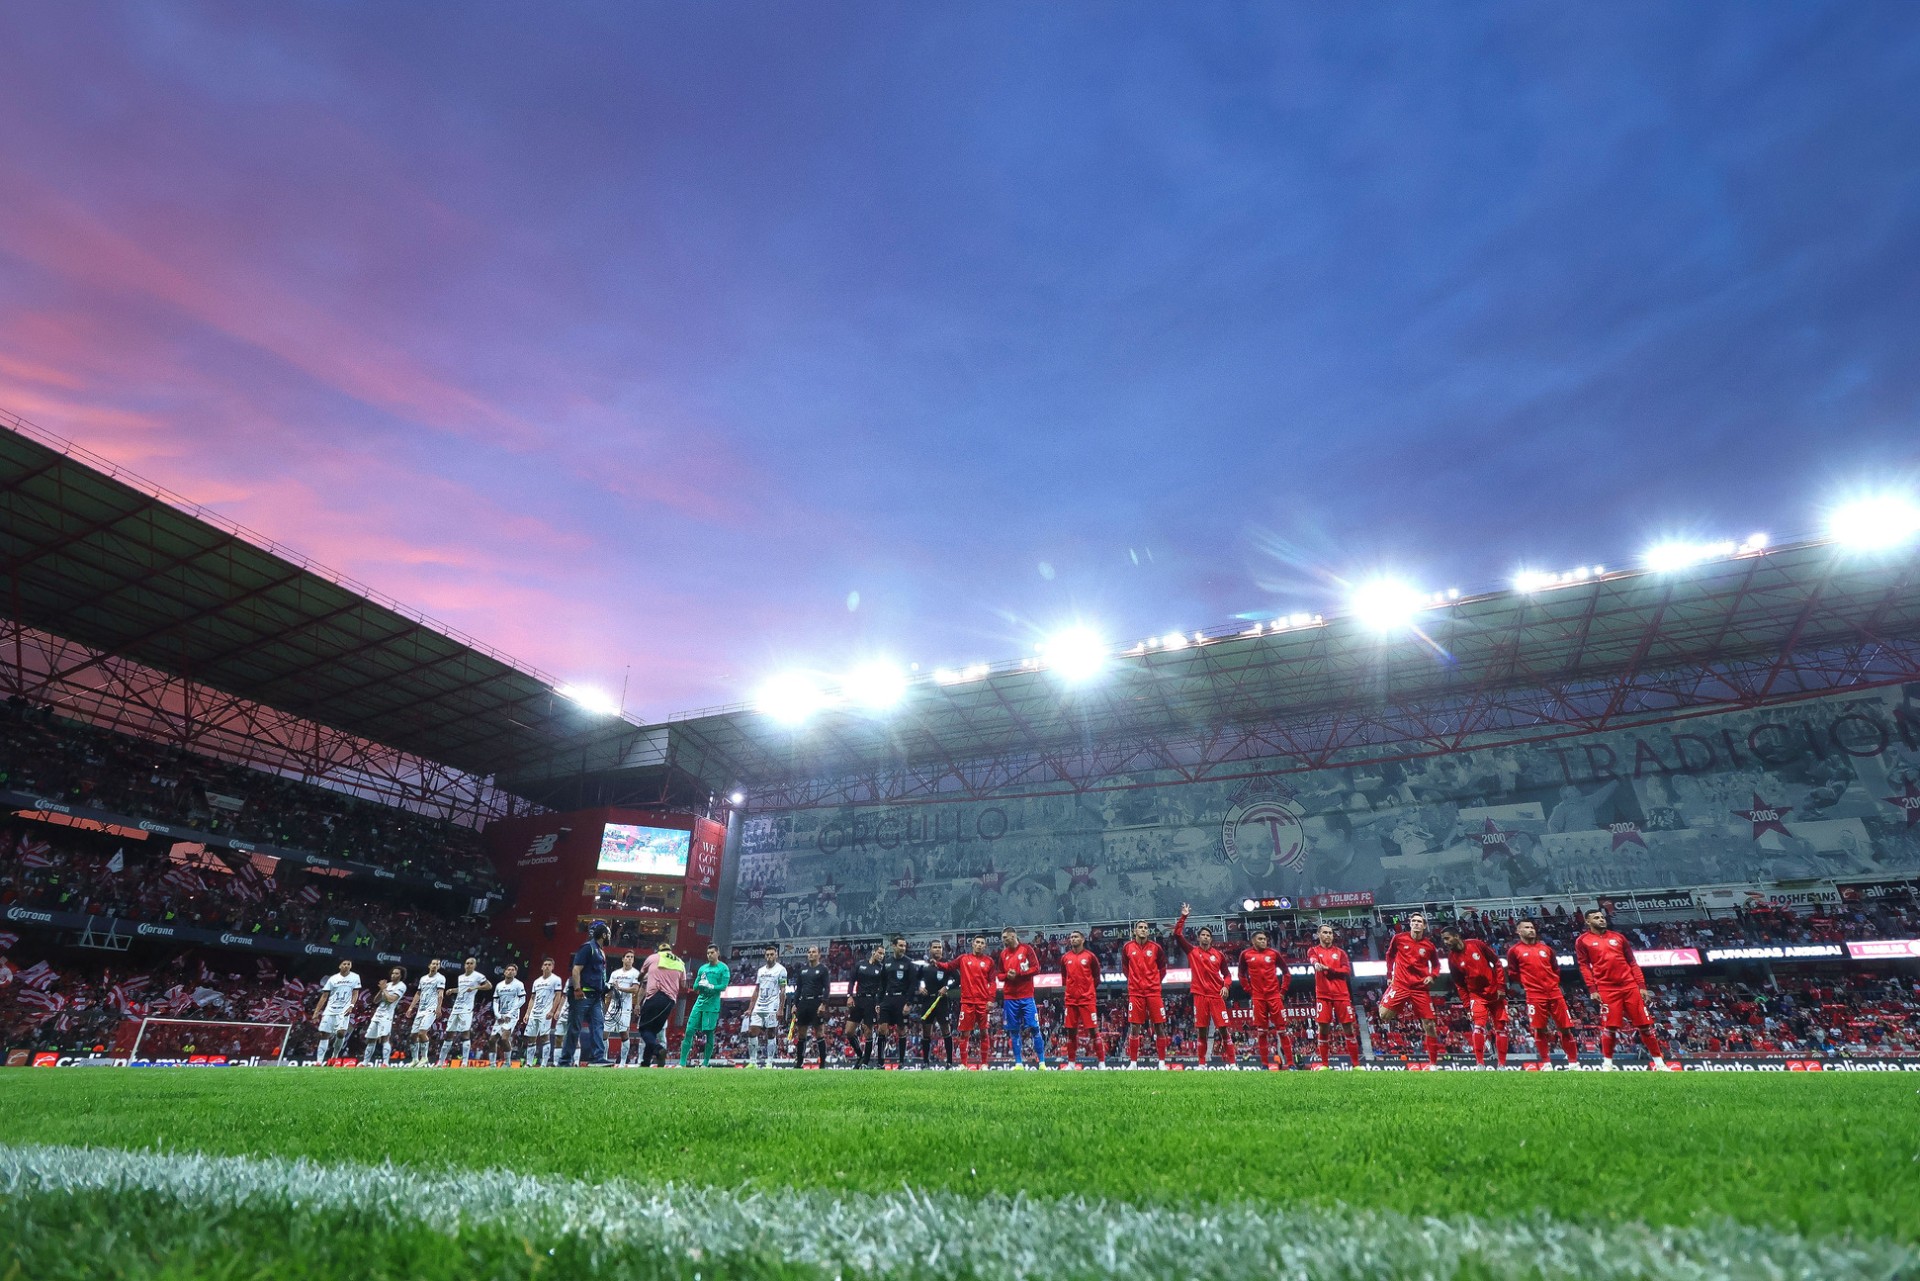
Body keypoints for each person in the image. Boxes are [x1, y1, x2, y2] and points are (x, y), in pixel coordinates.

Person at [1574, 908, 1668, 1070]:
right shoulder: (1583, 941)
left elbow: (1632, 962)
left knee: (1645, 1026)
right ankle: (1607, 1065)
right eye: (1596, 918)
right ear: (1588, 921)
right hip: (1606, 988)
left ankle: (1659, 1064)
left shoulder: (1618, 937)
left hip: (1630, 986)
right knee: (1609, 1028)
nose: (1601, 919)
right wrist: (1592, 989)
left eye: (1602, 917)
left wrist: (1641, 986)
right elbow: (1584, 966)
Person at [1505, 919, 1578, 1068]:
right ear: (1518, 931)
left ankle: (1573, 1063)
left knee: (1565, 1028)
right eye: (1526, 927)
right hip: (1534, 995)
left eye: (1532, 927)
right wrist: (1527, 982)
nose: (1531, 930)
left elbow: (1555, 969)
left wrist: (1553, 982)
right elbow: (1512, 972)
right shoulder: (1514, 951)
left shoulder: (1546, 949)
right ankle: (1546, 1063)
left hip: (1554, 993)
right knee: (1539, 1029)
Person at [1377, 913, 1442, 1067]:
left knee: (1429, 1025)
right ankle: (1392, 997)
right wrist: (1389, 975)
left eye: (1419, 921)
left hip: (1420, 988)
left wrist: (1432, 975)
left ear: (1424, 925)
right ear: (1410, 924)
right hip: (1400, 984)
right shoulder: (1399, 939)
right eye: (1414, 921)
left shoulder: (1429, 946)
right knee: (1383, 1016)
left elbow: (1436, 965)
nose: (1416, 923)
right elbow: (1389, 955)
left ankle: (1433, 1064)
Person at [1122, 909, 1184, 1068]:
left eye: (1145, 928)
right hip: (1135, 993)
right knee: (1134, 1027)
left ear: (1148, 932)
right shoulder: (1127, 947)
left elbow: (1162, 969)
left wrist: (1155, 982)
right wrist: (1133, 981)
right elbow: (1125, 967)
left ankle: (1162, 1063)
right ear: (1134, 931)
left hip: (1153, 992)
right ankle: (1133, 1063)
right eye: (1140, 927)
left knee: (1159, 1026)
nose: (1143, 930)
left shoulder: (1156, 948)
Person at [1439, 926, 1508, 1068]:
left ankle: (1502, 1065)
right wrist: (1467, 1006)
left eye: (1447, 938)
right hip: (1476, 995)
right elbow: (1460, 985)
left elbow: (1497, 962)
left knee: (1500, 1028)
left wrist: (1501, 986)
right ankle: (1480, 1064)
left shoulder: (1477, 944)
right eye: (1443, 940)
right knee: (1478, 1027)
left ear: (1456, 936)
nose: (1445, 942)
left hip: (1494, 992)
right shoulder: (1452, 959)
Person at [1179, 909, 1237, 1067]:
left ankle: (1233, 1064)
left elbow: (1227, 975)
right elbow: (1177, 935)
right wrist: (1184, 916)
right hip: (1199, 996)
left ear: (1211, 939)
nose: (1205, 937)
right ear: (1198, 938)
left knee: (1224, 1029)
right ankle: (1202, 1064)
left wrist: (1226, 986)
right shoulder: (1192, 952)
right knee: (1202, 1031)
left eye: (1208, 935)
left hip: (1216, 996)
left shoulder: (1218, 955)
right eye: (1203, 935)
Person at [1239, 928, 1297, 1070]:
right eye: (1260, 939)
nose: (1263, 941)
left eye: (1265, 939)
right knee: (1261, 1032)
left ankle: (1291, 1064)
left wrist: (1282, 991)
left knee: (1282, 1031)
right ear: (1253, 941)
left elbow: (1286, 973)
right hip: (1258, 998)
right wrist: (1249, 990)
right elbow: (1241, 974)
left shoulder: (1274, 953)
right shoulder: (1245, 954)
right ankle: (1264, 1064)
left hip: (1274, 997)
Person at [1306, 923, 1358, 1067]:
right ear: (1319, 935)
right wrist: (1316, 964)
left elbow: (1347, 970)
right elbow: (1312, 959)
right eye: (1325, 932)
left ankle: (1356, 1065)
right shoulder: (1313, 950)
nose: (1328, 935)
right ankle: (1324, 1065)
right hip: (1323, 994)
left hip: (1341, 994)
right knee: (1323, 1028)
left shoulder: (1341, 953)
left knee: (1348, 1027)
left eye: (1330, 933)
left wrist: (1329, 969)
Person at [996, 927, 1045, 1068]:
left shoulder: (1026, 949)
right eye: (1003, 938)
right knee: (1013, 1031)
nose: (1003, 940)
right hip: (1010, 997)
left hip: (1027, 996)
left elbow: (1036, 968)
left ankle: (1042, 1063)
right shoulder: (1003, 954)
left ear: (1013, 936)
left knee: (1035, 1028)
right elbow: (999, 975)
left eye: (1005, 937)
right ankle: (1018, 1063)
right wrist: (1007, 976)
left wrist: (1019, 974)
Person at [569, 920, 612, 1067]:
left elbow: (600, 975)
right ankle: (566, 1059)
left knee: (598, 1025)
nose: (610, 937)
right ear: (604, 935)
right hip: (584, 995)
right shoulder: (588, 948)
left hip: (596, 996)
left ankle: (597, 1058)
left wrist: (606, 987)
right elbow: (576, 970)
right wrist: (577, 989)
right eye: (609, 934)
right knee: (575, 1027)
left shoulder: (601, 952)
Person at [680, 944, 731, 1066]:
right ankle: (681, 1063)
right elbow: (695, 987)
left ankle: (706, 1063)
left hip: (712, 1005)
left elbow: (723, 986)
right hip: (699, 1003)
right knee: (689, 1030)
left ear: (718, 953)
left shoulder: (723, 968)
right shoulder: (702, 968)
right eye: (708, 953)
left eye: (712, 953)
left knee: (709, 1033)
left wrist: (711, 986)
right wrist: (701, 984)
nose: (709, 955)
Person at [1058, 929, 1103, 1067]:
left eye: (1076, 937)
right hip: (1071, 1000)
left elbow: (1096, 977)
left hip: (1087, 1000)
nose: (1073, 939)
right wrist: (1070, 991)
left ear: (1083, 939)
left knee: (1094, 1031)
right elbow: (1064, 977)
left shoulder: (1090, 956)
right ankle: (1071, 1064)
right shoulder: (1065, 958)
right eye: (1071, 937)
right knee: (1071, 1032)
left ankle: (1102, 1064)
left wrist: (1088, 990)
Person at [636, 940, 685, 1067]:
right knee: (652, 1031)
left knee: (644, 1028)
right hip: (670, 1002)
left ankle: (658, 1049)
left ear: (659, 950)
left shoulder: (653, 958)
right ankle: (646, 1062)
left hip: (655, 996)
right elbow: (684, 984)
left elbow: (641, 976)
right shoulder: (680, 962)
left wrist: (642, 978)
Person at [954, 934, 998, 1067]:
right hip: (967, 1002)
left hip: (983, 1003)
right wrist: (937, 963)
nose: (979, 945)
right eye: (977, 942)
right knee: (964, 1033)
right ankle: (963, 1065)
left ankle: (984, 1064)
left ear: (985, 946)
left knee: (984, 1032)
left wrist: (990, 999)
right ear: (972, 944)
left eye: (982, 943)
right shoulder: (963, 958)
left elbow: (992, 982)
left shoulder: (989, 961)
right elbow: (949, 966)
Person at [878, 936, 921, 1068]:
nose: (903, 948)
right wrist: (879, 1002)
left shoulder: (909, 963)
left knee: (901, 1030)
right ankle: (880, 1062)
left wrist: (909, 1003)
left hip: (901, 999)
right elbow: (882, 983)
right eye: (900, 945)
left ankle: (901, 1062)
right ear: (893, 946)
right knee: (882, 1029)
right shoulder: (887, 962)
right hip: (887, 999)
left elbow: (913, 984)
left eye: (904, 946)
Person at [440, 957, 491, 1065]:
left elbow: (489, 986)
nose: (469, 965)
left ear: (474, 965)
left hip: (466, 1009)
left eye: (471, 963)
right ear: (464, 965)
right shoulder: (461, 977)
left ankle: (464, 1062)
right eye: (467, 963)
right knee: (449, 1034)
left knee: (465, 1034)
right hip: (456, 1008)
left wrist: (475, 988)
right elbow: (462, 990)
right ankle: (440, 1062)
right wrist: (453, 990)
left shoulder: (478, 976)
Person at [918, 938, 960, 1068]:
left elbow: (958, 979)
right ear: (930, 949)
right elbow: (915, 979)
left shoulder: (947, 964)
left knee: (945, 1029)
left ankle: (949, 1062)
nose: (938, 949)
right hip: (927, 1000)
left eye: (940, 947)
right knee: (926, 1031)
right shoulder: (924, 965)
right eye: (935, 947)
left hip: (941, 1001)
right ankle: (925, 1062)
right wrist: (919, 987)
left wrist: (947, 987)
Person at [789, 944, 832, 1068]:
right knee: (801, 1034)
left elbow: (827, 988)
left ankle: (822, 1064)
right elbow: (798, 989)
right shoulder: (802, 970)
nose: (811, 954)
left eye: (813, 952)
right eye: (809, 952)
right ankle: (799, 1063)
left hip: (816, 1002)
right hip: (803, 1003)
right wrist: (794, 1004)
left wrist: (823, 1004)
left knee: (819, 1033)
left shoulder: (823, 969)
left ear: (819, 955)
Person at [311, 959, 360, 1065]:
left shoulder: (355, 978)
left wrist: (351, 1006)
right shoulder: (332, 979)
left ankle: (335, 1056)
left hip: (344, 1010)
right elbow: (324, 996)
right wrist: (316, 1012)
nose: (346, 966)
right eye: (344, 964)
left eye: (348, 964)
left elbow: (355, 993)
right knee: (324, 1034)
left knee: (341, 1033)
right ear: (340, 966)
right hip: (330, 1009)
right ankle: (319, 1061)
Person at [746, 945, 788, 1067]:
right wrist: (750, 1008)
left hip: (772, 1006)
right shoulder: (761, 971)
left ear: (776, 955)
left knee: (770, 1033)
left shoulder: (781, 970)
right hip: (759, 1005)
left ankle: (769, 1062)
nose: (769, 956)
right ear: (765, 956)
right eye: (767, 954)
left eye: (772, 954)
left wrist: (781, 1009)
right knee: (752, 1031)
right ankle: (752, 1062)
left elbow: (783, 990)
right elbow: (757, 989)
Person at [848, 945, 885, 1067]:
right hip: (858, 999)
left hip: (871, 1000)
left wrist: (878, 1003)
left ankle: (865, 1062)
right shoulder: (860, 964)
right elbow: (852, 981)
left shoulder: (881, 969)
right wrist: (849, 995)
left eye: (883, 954)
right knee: (849, 1031)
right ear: (874, 952)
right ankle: (860, 1055)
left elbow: (882, 988)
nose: (881, 956)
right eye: (880, 953)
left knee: (868, 1031)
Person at [525, 957, 565, 1066]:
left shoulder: (556, 979)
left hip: (545, 1012)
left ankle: (544, 1063)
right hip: (534, 1013)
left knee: (544, 1037)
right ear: (542, 967)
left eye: (549, 965)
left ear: (552, 967)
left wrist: (552, 1011)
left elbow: (558, 996)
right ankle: (528, 1063)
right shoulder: (536, 981)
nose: (547, 966)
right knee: (531, 1038)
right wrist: (528, 1013)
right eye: (545, 964)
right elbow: (532, 998)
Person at [406, 958, 446, 1066]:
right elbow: (418, 993)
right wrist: (410, 1008)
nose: (435, 965)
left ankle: (424, 1058)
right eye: (433, 963)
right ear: (429, 965)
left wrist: (438, 1008)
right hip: (421, 1009)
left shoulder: (440, 978)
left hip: (431, 1009)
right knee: (413, 1035)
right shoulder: (423, 979)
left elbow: (440, 994)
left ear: (439, 967)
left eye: (437, 964)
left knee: (422, 1033)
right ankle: (415, 1059)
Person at [361, 967, 404, 1066]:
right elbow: (375, 1000)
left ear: (401, 976)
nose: (393, 975)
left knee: (385, 1038)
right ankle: (365, 1062)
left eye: (396, 973)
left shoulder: (401, 986)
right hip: (377, 1014)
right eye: (393, 973)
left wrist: (384, 989)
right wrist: (381, 990)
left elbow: (391, 1000)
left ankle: (385, 1063)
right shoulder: (387, 985)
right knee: (371, 1039)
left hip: (387, 1016)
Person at [606, 951, 642, 1065]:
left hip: (625, 1008)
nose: (630, 959)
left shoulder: (635, 973)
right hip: (612, 1007)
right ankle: (603, 1059)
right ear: (623, 959)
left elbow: (635, 989)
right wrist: (606, 1003)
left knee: (624, 1034)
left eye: (632, 957)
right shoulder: (615, 973)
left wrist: (620, 988)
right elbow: (609, 990)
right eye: (627, 957)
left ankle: (622, 1062)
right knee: (604, 1033)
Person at [489, 963, 525, 1066]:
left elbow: (522, 1000)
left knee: (504, 1039)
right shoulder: (499, 985)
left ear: (515, 973)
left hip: (512, 1016)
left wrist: (510, 1013)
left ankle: (508, 1063)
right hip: (501, 1015)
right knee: (492, 1040)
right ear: (504, 972)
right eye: (508, 969)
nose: (510, 971)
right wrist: (497, 1015)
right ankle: (492, 1064)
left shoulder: (518, 984)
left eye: (513, 970)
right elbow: (495, 1001)